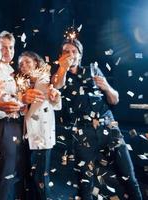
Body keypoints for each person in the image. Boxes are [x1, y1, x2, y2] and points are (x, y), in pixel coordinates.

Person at [52, 38, 142, 200]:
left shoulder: (93, 70)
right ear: (61, 56)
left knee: (128, 174)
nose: (71, 55)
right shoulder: (59, 76)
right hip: (82, 131)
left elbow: (115, 99)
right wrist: (62, 68)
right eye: (66, 52)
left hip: (108, 125)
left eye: (74, 52)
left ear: (80, 55)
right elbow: (57, 85)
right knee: (85, 183)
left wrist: (106, 86)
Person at [0, 31, 46, 200]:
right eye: (3, 48)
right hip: (2, 124)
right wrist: (21, 99)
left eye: (10, 47)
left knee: (18, 171)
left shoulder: (12, 70)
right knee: (7, 173)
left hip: (16, 124)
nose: (7, 51)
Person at [17, 51, 61, 199]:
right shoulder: (23, 84)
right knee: (29, 177)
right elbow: (24, 112)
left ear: (36, 63)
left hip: (42, 136)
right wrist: (22, 107)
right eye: (21, 64)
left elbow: (55, 101)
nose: (24, 66)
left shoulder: (45, 80)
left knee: (40, 178)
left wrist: (55, 96)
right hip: (27, 136)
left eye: (27, 62)